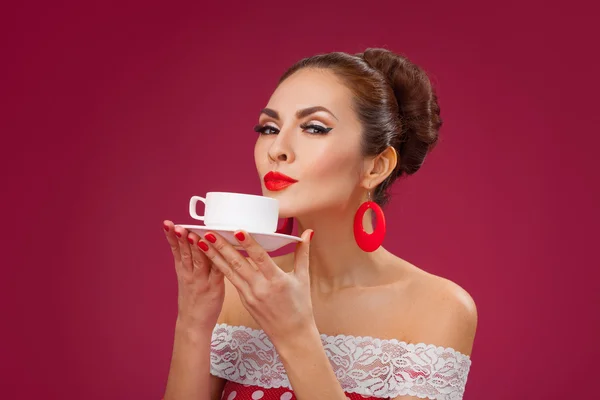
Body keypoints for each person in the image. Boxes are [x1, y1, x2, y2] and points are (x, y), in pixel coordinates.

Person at [161, 48, 478, 400]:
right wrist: (193, 319)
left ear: (376, 166)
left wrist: (294, 333)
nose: (277, 149)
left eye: (314, 128)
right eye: (269, 128)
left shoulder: (439, 308)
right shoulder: (237, 291)